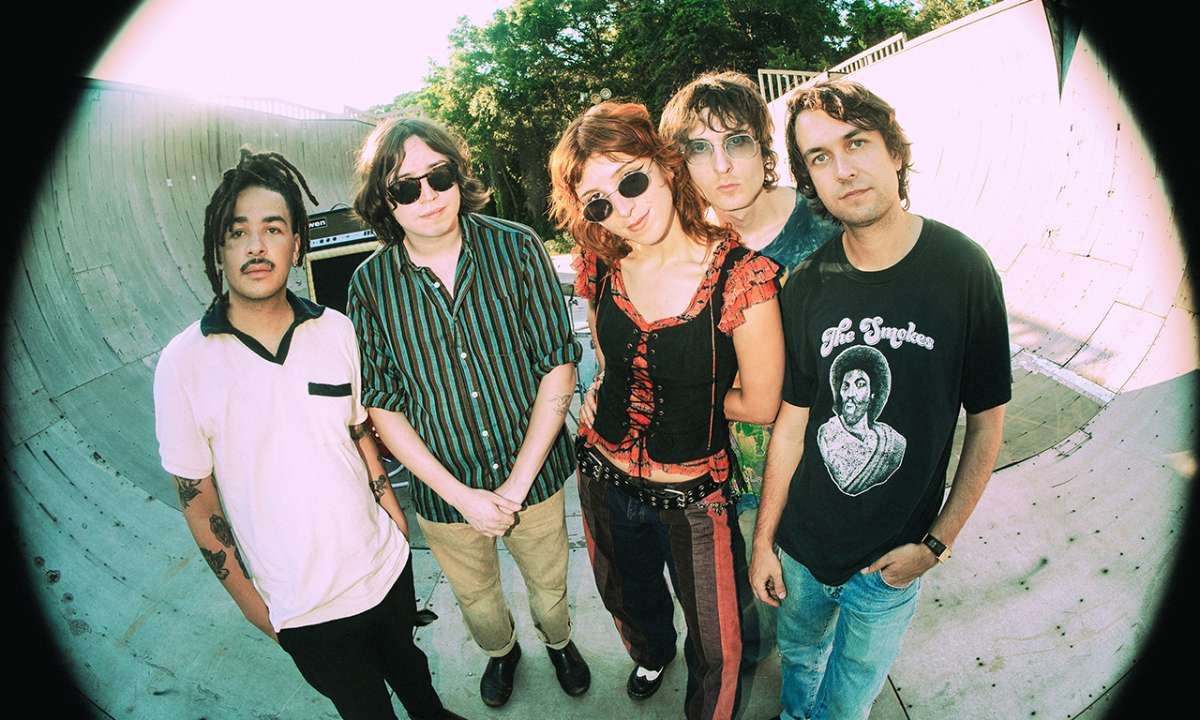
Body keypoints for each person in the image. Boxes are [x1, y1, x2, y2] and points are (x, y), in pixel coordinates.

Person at [153, 149, 465, 720]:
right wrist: (255, 608)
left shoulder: (336, 329)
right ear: (219, 248)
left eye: (273, 229)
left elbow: (358, 430)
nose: (256, 246)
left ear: (296, 246)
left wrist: (394, 518)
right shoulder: (183, 364)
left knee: (414, 676)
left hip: (384, 567)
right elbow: (198, 501)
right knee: (366, 709)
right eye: (238, 232)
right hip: (305, 609)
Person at [749, 80, 1011, 720]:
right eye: (820, 157)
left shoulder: (964, 270)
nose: (843, 169)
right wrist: (764, 541)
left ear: (895, 152)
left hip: (890, 564)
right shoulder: (807, 284)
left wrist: (936, 544)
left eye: (857, 143)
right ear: (810, 180)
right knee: (800, 661)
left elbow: (986, 424)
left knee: (850, 695)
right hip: (802, 550)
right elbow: (793, 424)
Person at [548, 101, 784, 720]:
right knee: (625, 593)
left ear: (665, 166)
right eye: (598, 202)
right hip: (602, 473)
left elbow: (762, 402)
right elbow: (607, 352)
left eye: (630, 181)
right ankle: (651, 652)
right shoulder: (601, 264)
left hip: (693, 496)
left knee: (720, 643)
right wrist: (604, 387)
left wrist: (690, 396)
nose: (624, 210)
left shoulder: (741, 276)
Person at [345, 117, 589, 709]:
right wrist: (462, 496)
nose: (428, 195)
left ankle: (559, 642)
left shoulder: (517, 246)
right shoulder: (369, 287)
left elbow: (558, 365)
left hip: (535, 476)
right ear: (384, 200)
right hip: (443, 493)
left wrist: (516, 485)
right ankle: (502, 653)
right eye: (406, 187)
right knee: (477, 599)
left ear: (458, 175)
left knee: (550, 584)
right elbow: (381, 404)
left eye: (439, 176)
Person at [659, 71, 839, 505]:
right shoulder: (690, 253)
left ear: (762, 146)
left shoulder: (829, 224)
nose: (722, 166)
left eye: (736, 142)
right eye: (699, 148)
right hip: (741, 484)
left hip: (830, 472)